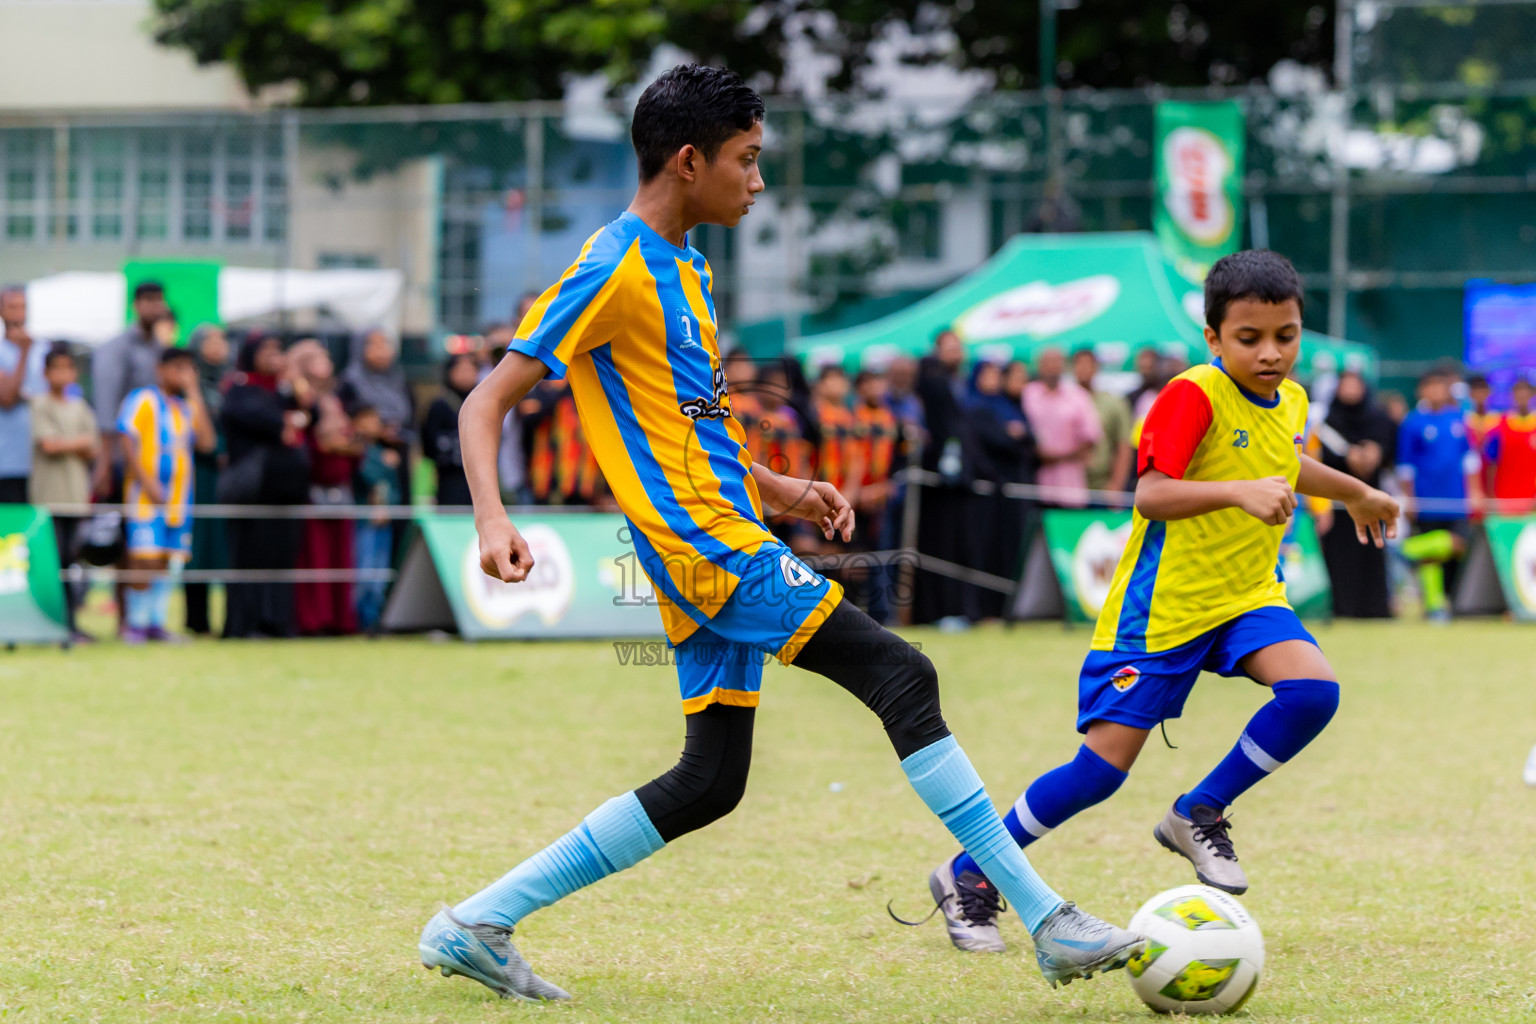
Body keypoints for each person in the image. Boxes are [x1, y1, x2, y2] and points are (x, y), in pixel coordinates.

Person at [418, 63, 1142, 1002]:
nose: (758, 181)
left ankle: (477, 922)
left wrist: (782, 488)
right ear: (688, 161)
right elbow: (486, 401)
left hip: (717, 528)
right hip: (701, 547)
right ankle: (1045, 918)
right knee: (902, 672)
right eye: (746, 160)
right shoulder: (614, 264)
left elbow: (690, 425)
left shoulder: (685, 264)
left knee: (712, 777)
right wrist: (490, 516)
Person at [924, 250, 1399, 954]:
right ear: (1212, 338)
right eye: (1250, 338)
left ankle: (1198, 810)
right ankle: (968, 874)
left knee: (1313, 693)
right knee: (1098, 774)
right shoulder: (1191, 395)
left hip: (1246, 599)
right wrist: (1240, 492)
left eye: (1286, 335)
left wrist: (1355, 491)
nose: (1271, 353)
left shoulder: (1294, 401)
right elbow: (1149, 493)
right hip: (1163, 612)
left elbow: (1280, 457)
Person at [117, 348, 216, 642]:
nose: (183, 374)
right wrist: (147, 483)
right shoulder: (143, 399)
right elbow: (126, 439)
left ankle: (155, 623)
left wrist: (195, 392)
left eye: (189, 368)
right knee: (143, 558)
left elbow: (207, 444)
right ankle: (134, 623)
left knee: (167, 560)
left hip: (179, 500)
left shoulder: (186, 407)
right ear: (161, 369)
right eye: (177, 368)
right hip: (145, 498)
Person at [221, 333, 309, 639]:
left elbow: (306, 413)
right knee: (250, 558)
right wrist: (283, 422)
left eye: (277, 349)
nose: (274, 355)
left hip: (286, 491)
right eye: (267, 350)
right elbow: (257, 418)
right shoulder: (240, 389)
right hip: (253, 492)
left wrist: (294, 383)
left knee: (281, 557)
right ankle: (248, 623)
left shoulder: (282, 390)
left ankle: (277, 621)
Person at [913, 329, 995, 625]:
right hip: (938, 481)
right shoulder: (931, 377)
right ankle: (941, 612)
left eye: (958, 347)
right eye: (948, 347)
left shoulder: (964, 385)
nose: (955, 352)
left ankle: (962, 610)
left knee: (963, 547)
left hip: (962, 479)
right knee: (940, 547)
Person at [1396, 363, 1481, 622]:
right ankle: (1435, 606)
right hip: (1426, 498)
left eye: (1440, 386)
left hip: (1456, 498)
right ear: (1421, 390)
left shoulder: (1459, 419)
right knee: (1431, 557)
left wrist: (1475, 491)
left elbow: (1470, 459)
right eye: (1430, 386)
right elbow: (1405, 466)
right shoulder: (1413, 423)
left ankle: (1404, 550)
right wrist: (1408, 498)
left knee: (1459, 545)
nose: (1435, 391)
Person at [29, 345, 99, 640]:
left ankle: (70, 625)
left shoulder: (80, 407)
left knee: (73, 564)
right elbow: (49, 445)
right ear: (45, 373)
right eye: (57, 368)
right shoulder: (40, 404)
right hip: (48, 499)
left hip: (76, 498)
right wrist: (78, 442)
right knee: (51, 564)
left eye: (68, 367)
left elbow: (93, 448)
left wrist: (67, 443)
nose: (63, 374)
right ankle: (50, 624)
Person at [290, 339, 359, 637]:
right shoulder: (299, 398)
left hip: (340, 486)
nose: (324, 362)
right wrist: (336, 446)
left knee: (338, 557)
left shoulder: (334, 398)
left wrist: (344, 446)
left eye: (325, 356)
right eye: (315, 357)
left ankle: (339, 620)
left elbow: (348, 440)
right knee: (314, 558)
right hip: (312, 488)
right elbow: (314, 443)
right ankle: (313, 620)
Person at [1314, 369, 1396, 618]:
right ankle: (1343, 608)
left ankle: (1376, 609)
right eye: (1345, 384)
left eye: (1355, 384)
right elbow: (1318, 459)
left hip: (1371, 500)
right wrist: (1345, 458)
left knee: (1373, 552)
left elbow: (1391, 449)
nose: (1350, 390)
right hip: (1338, 504)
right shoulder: (1328, 421)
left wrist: (1375, 453)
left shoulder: (1379, 419)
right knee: (1340, 558)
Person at [967, 359, 1035, 618]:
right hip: (990, 493)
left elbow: (1030, 438)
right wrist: (1013, 437)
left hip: (1014, 491)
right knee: (990, 549)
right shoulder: (975, 407)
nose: (993, 379)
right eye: (988, 374)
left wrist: (1019, 437)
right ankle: (988, 609)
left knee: (1015, 548)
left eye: (996, 374)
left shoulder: (1009, 405)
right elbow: (1001, 441)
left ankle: (1010, 607)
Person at [92, 282, 169, 499]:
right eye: (149, 301)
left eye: (158, 301)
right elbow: (107, 404)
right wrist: (104, 462)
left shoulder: (159, 348)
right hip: (121, 456)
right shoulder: (116, 349)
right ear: (135, 305)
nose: (154, 307)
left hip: (153, 454)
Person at [184, 324, 233, 635]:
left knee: (227, 545)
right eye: (210, 340)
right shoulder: (189, 385)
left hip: (230, 475)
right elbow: (203, 441)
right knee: (198, 547)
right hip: (198, 476)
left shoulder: (232, 381)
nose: (218, 346)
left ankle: (231, 619)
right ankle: (197, 619)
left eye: (221, 339)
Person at [338, 327, 414, 508]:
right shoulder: (351, 383)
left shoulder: (399, 380)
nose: (382, 352)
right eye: (374, 345)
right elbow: (347, 421)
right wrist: (377, 432)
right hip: (367, 460)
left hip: (400, 455)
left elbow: (412, 419)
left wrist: (402, 433)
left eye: (385, 344)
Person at [1022, 346, 1101, 508]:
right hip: (1033, 486)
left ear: (1064, 365)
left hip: (1070, 486)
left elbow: (1091, 438)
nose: (1052, 367)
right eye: (1048, 362)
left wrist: (1057, 457)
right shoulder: (1028, 393)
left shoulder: (1078, 395)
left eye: (1056, 362)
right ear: (1039, 365)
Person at [352, 404, 400, 633]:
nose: (376, 425)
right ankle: (362, 621)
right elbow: (367, 475)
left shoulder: (382, 450)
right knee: (365, 572)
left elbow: (393, 486)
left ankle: (375, 620)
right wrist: (384, 462)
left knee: (380, 574)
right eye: (370, 419)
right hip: (364, 520)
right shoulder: (358, 450)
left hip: (384, 520)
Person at [0, 284, 46, 503]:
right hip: (8, 461)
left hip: (41, 461)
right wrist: (24, 352)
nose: (19, 313)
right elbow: (7, 397)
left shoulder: (43, 350)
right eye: (12, 307)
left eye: (23, 307)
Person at [1072, 347, 1133, 500]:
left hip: (1102, 487)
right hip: (1067, 485)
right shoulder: (1061, 402)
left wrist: (1116, 485)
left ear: (1096, 368)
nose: (1084, 369)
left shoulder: (1113, 403)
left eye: (1088, 364)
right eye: (1079, 364)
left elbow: (1124, 445)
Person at [423, 353, 479, 507]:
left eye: (471, 369)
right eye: (461, 369)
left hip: (479, 477)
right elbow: (429, 444)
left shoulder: (482, 404)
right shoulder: (440, 405)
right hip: (450, 479)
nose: (467, 374)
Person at [1486, 370, 1536, 515]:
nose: (1522, 395)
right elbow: (1491, 465)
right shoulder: (1499, 426)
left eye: (1526, 391)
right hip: (1504, 499)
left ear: (1532, 394)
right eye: (1518, 390)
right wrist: (1491, 497)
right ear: (1512, 394)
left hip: (1532, 501)